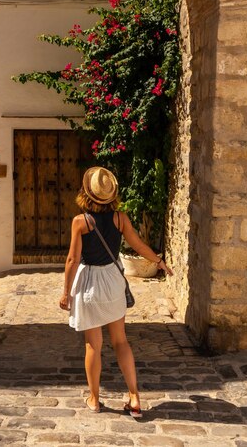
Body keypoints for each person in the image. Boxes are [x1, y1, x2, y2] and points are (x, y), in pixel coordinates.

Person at [59, 166, 173, 417]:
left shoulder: (81, 222)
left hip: (89, 284)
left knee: (93, 345)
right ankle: (134, 397)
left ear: (86, 193)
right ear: (111, 195)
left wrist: (66, 292)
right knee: (121, 341)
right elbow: (138, 245)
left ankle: (95, 399)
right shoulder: (120, 218)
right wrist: (159, 261)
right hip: (112, 281)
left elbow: (72, 260)